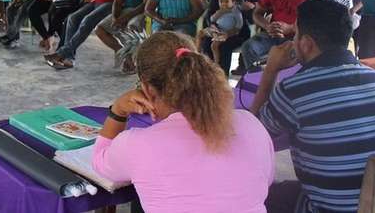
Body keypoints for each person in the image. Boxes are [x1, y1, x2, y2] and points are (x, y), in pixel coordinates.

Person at [249, 0, 375, 213]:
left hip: (332, 210)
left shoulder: (294, 90)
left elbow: (253, 135)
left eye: (296, 34)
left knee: (256, 195)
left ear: (307, 43)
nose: (292, 41)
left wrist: (271, 70)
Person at [93, 32, 273, 213]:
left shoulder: (137, 144)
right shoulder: (252, 124)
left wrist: (118, 111)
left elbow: (100, 164)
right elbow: (266, 179)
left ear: (147, 88)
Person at [239, 0, 321, 73]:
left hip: (299, 36)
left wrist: (292, 27)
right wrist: (268, 26)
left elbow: (316, 21)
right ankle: (256, 81)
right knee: (248, 47)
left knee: (294, 56)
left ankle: (287, 85)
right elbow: (257, 13)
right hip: (273, 33)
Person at [202, 0, 259, 76]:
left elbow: (263, 7)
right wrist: (214, 28)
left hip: (239, 30)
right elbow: (209, 14)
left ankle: (222, 76)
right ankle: (208, 73)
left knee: (225, 45)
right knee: (207, 42)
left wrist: (252, 7)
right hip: (218, 26)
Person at [198, 0, 243, 67]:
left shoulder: (235, 12)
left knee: (214, 45)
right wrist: (219, 13)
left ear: (233, 2)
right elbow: (212, 19)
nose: (223, 4)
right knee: (200, 33)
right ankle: (197, 52)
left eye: (226, 2)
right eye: (221, 2)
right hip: (216, 29)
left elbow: (239, 25)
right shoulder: (220, 10)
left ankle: (216, 62)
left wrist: (228, 33)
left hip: (226, 32)